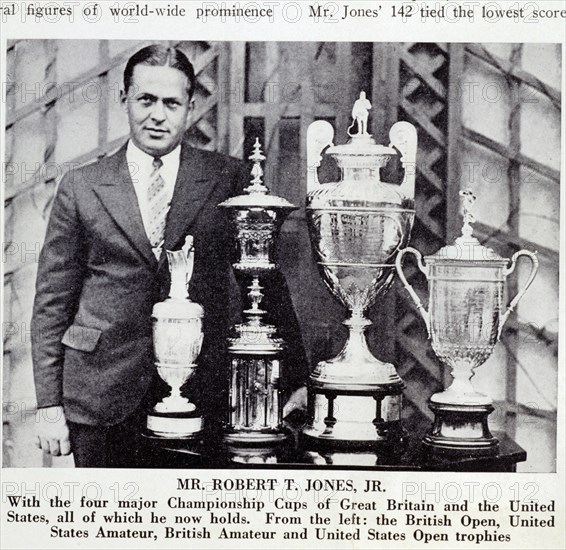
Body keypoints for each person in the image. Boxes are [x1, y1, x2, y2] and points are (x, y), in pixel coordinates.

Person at [31, 44, 307, 468]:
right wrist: (49, 407)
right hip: (102, 396)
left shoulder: (227, 178)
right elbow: (52, 303)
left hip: (205, 394)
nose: (157, 115)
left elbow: (264, 279)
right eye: (146, 100)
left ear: (190, 107)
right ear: (125, 99)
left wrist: (295, 379)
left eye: (171, 103)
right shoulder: (82, 186)